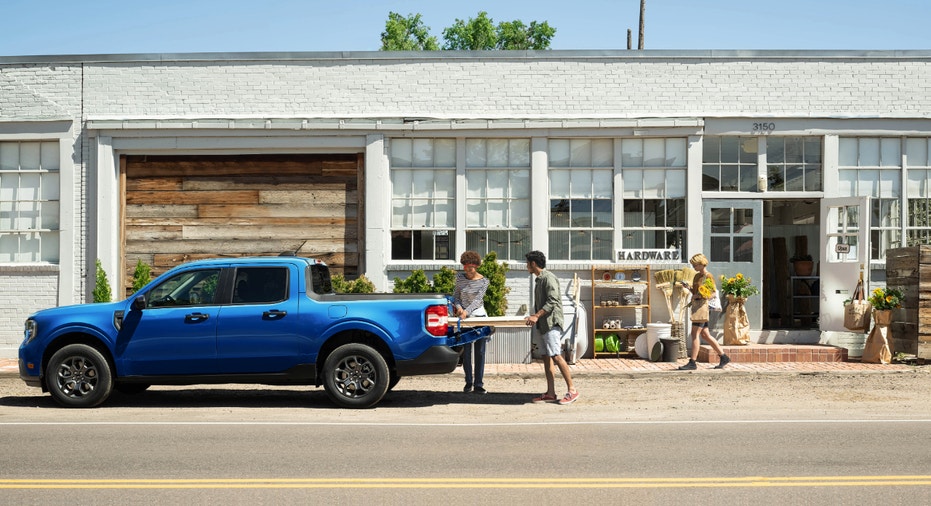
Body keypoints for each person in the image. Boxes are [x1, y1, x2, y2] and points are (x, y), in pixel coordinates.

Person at [524, 250, 579, 405]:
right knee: (546, 357)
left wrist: (536, 315)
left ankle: (572, 390)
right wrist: (535, 317)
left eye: (527, 263)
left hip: (551, 323)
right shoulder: (539, 280)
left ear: (533, 264)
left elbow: (553, 300)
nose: (526, 266)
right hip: (543, 324)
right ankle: (550, 393)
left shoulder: (548, 278)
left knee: (556, 355)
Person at [678, 253, 730, 370]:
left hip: (702, 308)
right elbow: (695, 292)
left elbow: (712, 294)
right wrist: (689, 289)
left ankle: (692, 362)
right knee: (705, 335)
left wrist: (699, 296)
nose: (694, 267)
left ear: (702, 264)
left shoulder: (708, 276)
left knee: (695, 334)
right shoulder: (697, 277)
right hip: (697, 307)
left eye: (695, 265)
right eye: (693, 265)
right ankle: (723, 356)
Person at [454, 250, 491, 394]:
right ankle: (468, 382)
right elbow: (456, 296)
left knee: (480, 352)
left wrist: (466, 311)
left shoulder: (484, 281)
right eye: (465, 268)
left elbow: (477, 301)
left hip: (478, 316)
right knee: (467, 352)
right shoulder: (460, 278)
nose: (467, 271)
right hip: (464, 318)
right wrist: (459, 308)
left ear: (476, 267)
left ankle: (479, 384)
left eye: (470, 268)